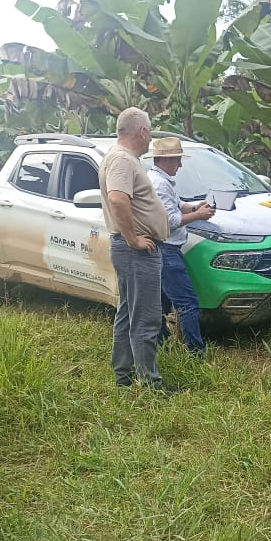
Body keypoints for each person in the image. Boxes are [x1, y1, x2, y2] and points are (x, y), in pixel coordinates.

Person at [98, 107, 172, 392]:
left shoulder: (121, 158)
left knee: (129, 312)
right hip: (136, 251)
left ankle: (124, 377)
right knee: (145, 318)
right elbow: (118, 199)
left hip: (131, 250)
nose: (150, 138)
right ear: (142, 131)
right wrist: (133, 239)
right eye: (149, 133)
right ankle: (150, 384)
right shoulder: (122, 159)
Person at [146, 137, 215, 358]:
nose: (180, 165)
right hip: (167, 249)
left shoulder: (159, 180)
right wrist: (199, 215)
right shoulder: (160, 184)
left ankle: (161, 345)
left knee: (160, 303)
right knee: (187, 303)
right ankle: (195, 353)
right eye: (178, 160)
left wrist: (194, 207)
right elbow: (171, 220)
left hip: (162, 249)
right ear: (167, 160)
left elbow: (177, 205)